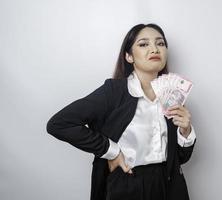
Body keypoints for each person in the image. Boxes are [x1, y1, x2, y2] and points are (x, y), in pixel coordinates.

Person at [46, 23, 197, 200]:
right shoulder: (113, 91)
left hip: (169, 186)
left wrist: (185, 131)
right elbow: (59, 124)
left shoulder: (172, 95)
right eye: (143, 44)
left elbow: (181, 159)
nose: (154, 49)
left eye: (160, 43)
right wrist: (111, 151)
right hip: (127, 184)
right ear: (129, 56)